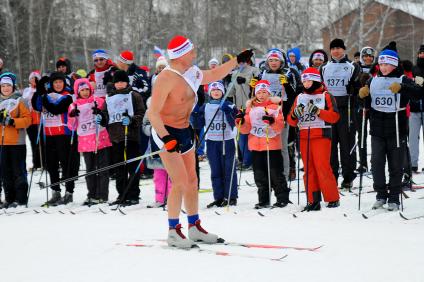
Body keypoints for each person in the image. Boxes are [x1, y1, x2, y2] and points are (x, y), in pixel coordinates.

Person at [148, 35, 252, 248]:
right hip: (165, 132)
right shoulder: (166, 78)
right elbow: (153, 113)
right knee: (179, 181)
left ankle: (194, 227)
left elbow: (214, 74)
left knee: (192, 181)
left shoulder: (192, 73)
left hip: (185, 131)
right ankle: (173, 231)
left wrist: (236, 61)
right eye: (191, 51)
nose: (195, 54)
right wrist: (166, 138)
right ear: (180, 55)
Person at [358, 43, 422, 211]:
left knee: (395, 165)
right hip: (377, 130)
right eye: (382, 64)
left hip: (397, 128)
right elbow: (367, 103)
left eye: (388, 64)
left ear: (394, 64)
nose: (384, 67)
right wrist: (363, 95)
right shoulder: (373, 80)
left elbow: (419, 93)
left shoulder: (402, 79)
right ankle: (380, 194)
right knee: (377, 163)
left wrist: (403, 88)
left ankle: (394, 197)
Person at [287, 67, 340, 210]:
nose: (306, 83)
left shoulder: (326, 95)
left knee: (322, 167)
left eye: (309, 80)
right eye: (304, 81)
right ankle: (313, 200)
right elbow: (291, 121)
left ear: (316, 80)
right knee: (309, 169)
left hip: (321, 135)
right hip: (304, 136)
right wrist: (295, 115)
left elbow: (334, 117)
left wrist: (318, 111)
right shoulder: (300, 97)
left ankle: (332, 198)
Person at [249, 48, 302, 182]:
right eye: (271, 60)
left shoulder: (290, 72)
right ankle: (270, 173)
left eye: (276, 60)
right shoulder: (262, 74)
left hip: (282, 115)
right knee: (268, 146)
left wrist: (287, 84)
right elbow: (256, 96)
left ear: (281, 61)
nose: (273, 63)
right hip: (265, 116)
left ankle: (285, 173)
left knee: (284, 145)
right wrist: (252, 87)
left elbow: (295, 95)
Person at [237, 80, 290, 209]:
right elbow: (245, 129)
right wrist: (240, 121)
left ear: (269, 93)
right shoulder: (251, 108)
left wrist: (272, 121)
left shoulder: (275, 107)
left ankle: (282, 198)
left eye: (264, 92)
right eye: (259, 92)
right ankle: (264, 200)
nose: (261, 95)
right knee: (259, 175)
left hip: (271, 145)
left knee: (276, 173)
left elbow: (280, 127)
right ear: (255, 94)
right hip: (255, 146)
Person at [96, 70, 145, 206]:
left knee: (132, 166)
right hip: (116, 137)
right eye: (117, 82)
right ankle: (122, 194)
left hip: (130, 136)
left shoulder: (134, 95)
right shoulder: (109, 98)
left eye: (122, 81)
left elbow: (141, 114)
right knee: (119, 168)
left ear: (127, 82)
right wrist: (102, 118)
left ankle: (133, 195)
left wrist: (132, 120)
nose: (120, 84)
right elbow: (106, 115)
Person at [32, 72, 79, 206]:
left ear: (64, 83)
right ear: (51, 84)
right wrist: (38, 90)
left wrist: (43, 95)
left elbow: (56, 109)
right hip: (49, 135)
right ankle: (55, 192)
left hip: (64, 135)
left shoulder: (68, 96)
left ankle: (69, 193)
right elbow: (36, 106)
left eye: (60, 82)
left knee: (66, 165)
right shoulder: (46, 95)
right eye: (55, 82)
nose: (58, 85)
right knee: (51, 165)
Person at [320, 38, 361, 190]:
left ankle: (348, 177)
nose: (336, 51)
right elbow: (319, 87)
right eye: (333, 48)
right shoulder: (324, 67)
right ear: (330, 51)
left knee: (347, 145)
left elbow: (359, 86)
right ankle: (332, 177)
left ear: (344, 49)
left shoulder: (352, 66)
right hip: (329, 110)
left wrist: (354, 88)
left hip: (347, 110)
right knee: (330, 146)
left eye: (339, 48)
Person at [192, 81, 238, 208]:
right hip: (212, 142)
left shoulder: (229, 104)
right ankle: (218, 197)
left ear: (223, 92)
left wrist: (228, 112)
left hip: (226, 141)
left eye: (218, 90)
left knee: (229, 169)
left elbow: (238, 117)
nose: (216, 92)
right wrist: (195, 114)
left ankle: (231, 196)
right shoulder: (205, 107)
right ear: (210, 92)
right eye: (213, 90)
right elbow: (198, 125)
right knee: (215, 170)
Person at [67, 78, 112, 204]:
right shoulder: (73, 105)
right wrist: (72, 116)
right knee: (90, 170)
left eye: (87, 89)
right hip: (86, 142)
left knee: (103, 169)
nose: (85, 92)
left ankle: (103, 195)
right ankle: (92, 195)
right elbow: (72, 126)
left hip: (100, 139)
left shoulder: (98, 101)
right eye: (82, 90)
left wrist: (101, 115)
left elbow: (106, 118)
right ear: (77, 91)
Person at [0, 73, 32, 208]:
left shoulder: (20, 100)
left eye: (8, 85)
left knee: (18, 171)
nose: (6, 88)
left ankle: (21, 199)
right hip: (1, 143)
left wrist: (12, 121)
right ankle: (9, 198)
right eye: (3, 86)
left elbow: (27, 120)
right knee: (5, 172)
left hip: (17, 142)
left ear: (13, 86)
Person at [228, 51, 260, 170]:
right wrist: (228, 84)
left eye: (243, 61)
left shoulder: (254, 71)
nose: (241, 64)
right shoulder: (235, 73)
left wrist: (245, 81)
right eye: (239, 62)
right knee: (241, 138)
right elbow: (231, 92)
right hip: (239, 108)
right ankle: (243, 160)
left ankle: (249, 161)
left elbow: (258, 86)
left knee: (249, 137)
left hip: (252, 108)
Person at [143, 97, 172, 208]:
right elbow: (145, 125)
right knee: (159, 176)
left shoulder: (171, 107)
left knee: (171, 176)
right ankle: (159, 199)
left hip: (169, 145)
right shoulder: (150, 107)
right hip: (155, 147)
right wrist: (152, 129)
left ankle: (171, 199)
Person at [356, 46, 376, 173]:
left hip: (374, 106)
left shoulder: (377, 68)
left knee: (375, 135)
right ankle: (362, 163)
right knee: (361, 136)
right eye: (365, 56)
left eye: (370, 56)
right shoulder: (356, 67)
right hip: (361, 105)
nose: (368, 58)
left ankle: (375, 162)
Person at [22, 70, 42, 170]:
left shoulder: (42, 89)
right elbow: (24, 102)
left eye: (36, 78)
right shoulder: (27, 90)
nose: (34, 80)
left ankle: (44, 162)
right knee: (33, 142)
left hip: (41, 120)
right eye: (32, 79)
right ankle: (36, 163)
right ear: (30, 80)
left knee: (42, 142)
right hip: (30, 120)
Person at [409, 45, 424, 172]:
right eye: (420, 53)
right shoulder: (414, 68)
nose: (421, 55)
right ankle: (413, 163)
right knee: (413, 137)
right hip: (414, 108)